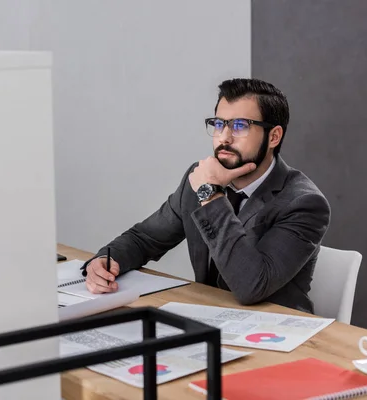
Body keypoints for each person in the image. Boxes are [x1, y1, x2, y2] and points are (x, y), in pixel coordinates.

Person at [81, 78, 331, 313]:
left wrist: (209, 194)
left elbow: (251, 287)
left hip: (277, 334)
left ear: (274, 136)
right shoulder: (200, 179)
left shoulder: (304, 203)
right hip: (211, 319)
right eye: (219, 124)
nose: (224, 137)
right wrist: (104, 260)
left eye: (240, 126)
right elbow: (145, 238)